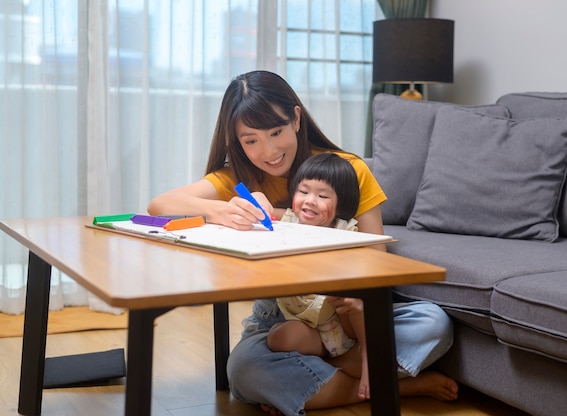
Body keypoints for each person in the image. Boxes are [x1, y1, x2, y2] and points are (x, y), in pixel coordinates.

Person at [147, 70, 458, 415]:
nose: (268, 151)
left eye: (276, 132)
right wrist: (221, 209)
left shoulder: (347, 170)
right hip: (282, 319)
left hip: (349, 314)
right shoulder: (238, 177)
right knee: (242, 371)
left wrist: (357, 311)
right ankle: (390, 384)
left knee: (433, 324)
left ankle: (322, 381)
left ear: (296, 118)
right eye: (250, 141)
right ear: (236, 142)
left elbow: (376, 258)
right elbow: (160, 205)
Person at [267, 152, 371, 399]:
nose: (309, 201)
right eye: (303, 192)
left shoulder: (346, 232)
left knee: (352, 292)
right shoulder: (288, 221)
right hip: (309, 327)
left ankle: (369, 355)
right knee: (277, 338)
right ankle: (334, 364)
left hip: (342, 323)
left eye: (322, 196)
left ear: (341, 203)